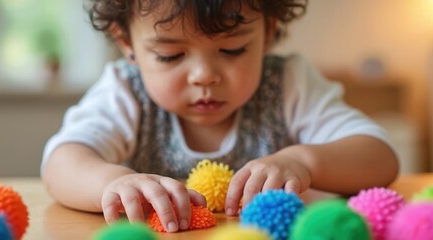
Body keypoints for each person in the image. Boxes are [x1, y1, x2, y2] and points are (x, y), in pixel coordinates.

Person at [42, 0, 398, 233]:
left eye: (232, 49)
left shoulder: (288, 83)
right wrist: (112, 182)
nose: (204, 75)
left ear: (268, 32)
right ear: (127, 45)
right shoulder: (125, 91)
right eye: (170, 56)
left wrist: (303, 161)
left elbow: (379, 156)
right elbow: (61, 163)